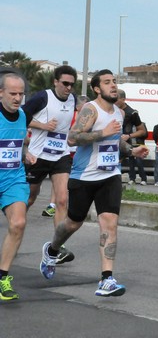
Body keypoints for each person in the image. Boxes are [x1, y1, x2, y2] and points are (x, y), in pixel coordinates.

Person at [39, 69, 149, 297]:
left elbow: (115, 140)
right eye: (107, 82)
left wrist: (132, 150)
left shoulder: (119, 112)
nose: (113, 85)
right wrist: (102, 131)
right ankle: (52, 249)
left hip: (110, 175)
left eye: (115, 81)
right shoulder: (91, 109)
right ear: (97, 89)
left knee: (109, 223)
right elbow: (73, 137)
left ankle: (106, 279)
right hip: (84, 177)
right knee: (72, 223)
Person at [22, 65, 78, 264]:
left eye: (72, 84)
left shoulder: (73, 99)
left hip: (60, 154)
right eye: (65, 83)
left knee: (62, 199)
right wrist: (42, 126)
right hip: (38, 155)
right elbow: (20, 117)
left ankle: (57, 247)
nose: (69, 88)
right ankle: (15, 222)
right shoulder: (42, 97)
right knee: (30, 197)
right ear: (55, 82)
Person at [0, 73, 31, 301]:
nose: (18, 98)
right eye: (13, 93)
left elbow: (17, 140)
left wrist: (26, 152)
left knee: (18, 223)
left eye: (21, 93)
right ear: (1, 92)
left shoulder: (22, 115)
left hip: (13, 178)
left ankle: (3, 278)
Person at [116, 89, 148, 186]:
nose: (114, 100)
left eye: (116, 98)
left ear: (123, 99)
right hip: (112, 142)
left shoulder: (132, 113)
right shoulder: (111, 109)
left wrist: (128, 135)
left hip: (130, 144)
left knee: (137, 162)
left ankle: (143, 179)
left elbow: (142, 131)